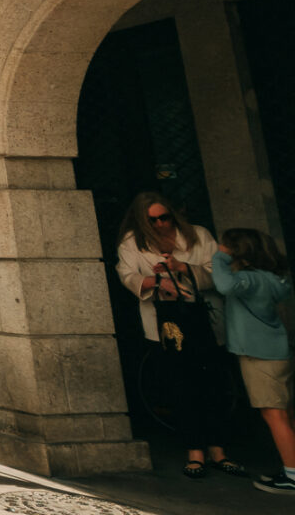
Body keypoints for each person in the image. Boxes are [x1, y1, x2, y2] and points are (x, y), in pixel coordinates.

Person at [110, 192, 239, 479]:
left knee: (214, 384)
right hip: (168, 324)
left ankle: (219, 449)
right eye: (152, 220)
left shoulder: (198, 235)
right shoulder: (132, 241)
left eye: (163, 217)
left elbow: (219, 273)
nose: (159, 225)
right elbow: (127, 275)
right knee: (182, 386)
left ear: (172, 214)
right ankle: (194, 451)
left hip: (204, 317)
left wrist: (185, 269)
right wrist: (158, 281)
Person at [212, 228, 295, 494]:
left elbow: (224, 285)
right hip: (277, 352)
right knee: (285, 414)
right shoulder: (272, 279)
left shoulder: (249, 280)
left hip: (259, 357)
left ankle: (293, 475)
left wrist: (220, 258)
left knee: (274, 415)